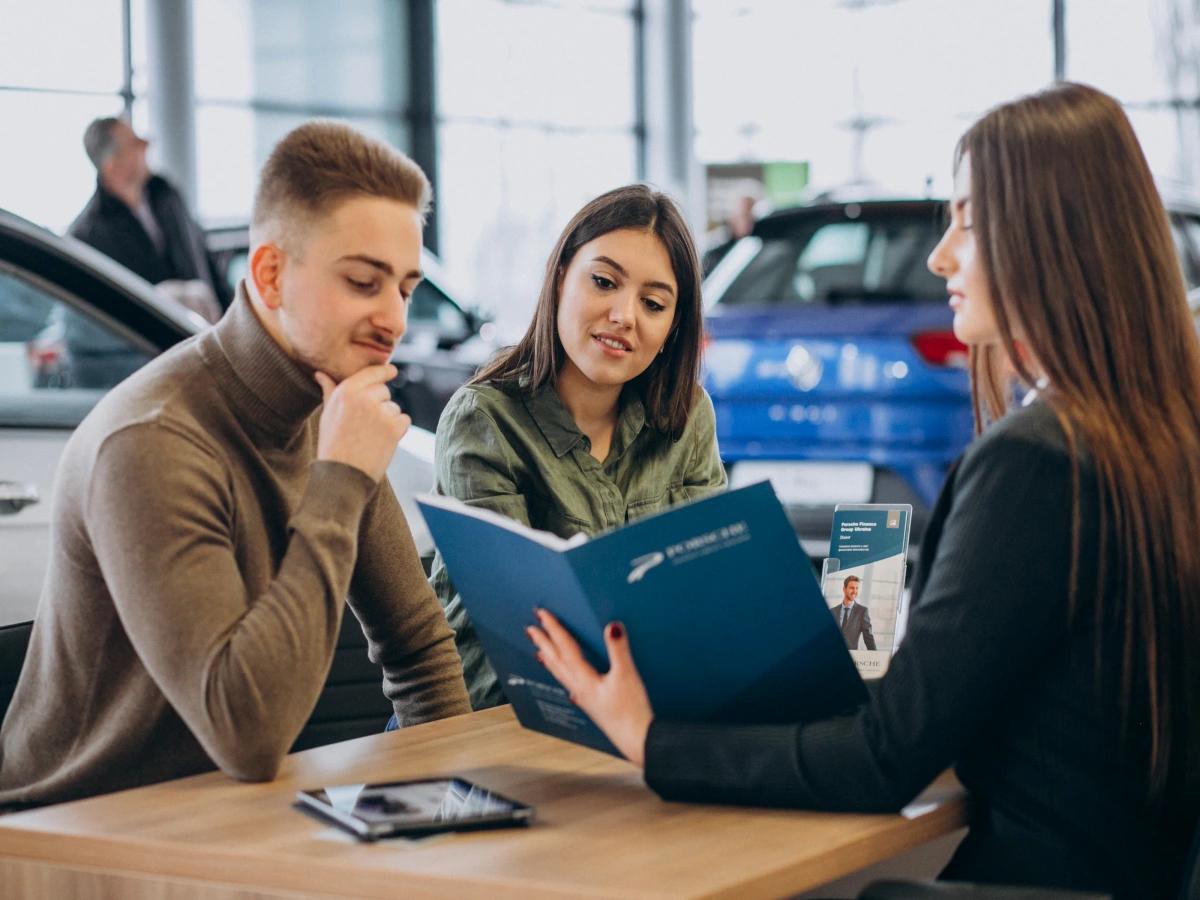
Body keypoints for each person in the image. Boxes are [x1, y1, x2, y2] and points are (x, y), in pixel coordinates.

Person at [527, 83, 1200, 900]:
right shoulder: (1158, 433)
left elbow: (884, 760)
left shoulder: (1041, 458)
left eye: (969, 222)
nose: (939, 255)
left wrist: (650, 740)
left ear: (1053, 238)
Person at [0, 120, 472, 811]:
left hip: (227, 821)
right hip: (72, 838)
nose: (394, 317)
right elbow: (248, 734)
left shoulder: (328, 415)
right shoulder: (152, 441)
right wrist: (339, 477)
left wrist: (458, 817)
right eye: (364, 282)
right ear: (271, 273)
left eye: (404, 288)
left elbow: (421, 652)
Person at [425, 184, 726, 713]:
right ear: (561, 275)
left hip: (647, 717)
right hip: (498, 726)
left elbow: (712, 586)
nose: (624, 315)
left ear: (672, 326)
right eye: (604, 282)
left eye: (653, 303)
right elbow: (519, 635)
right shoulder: (485, 420)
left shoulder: (686, 415)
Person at [70, 116, 231, 322]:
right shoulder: (87, 235)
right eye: (135, 144)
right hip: (156, 347)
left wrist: (231, 317)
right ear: (111, 166)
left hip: (209, 330)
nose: (147, 145)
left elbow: (204, 259)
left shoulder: (166, 194)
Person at [830, 575, 875, 650]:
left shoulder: (862, 611)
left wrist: (876, 656)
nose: (854, 591)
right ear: (844, 589)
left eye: (856, 588)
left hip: (851, 657)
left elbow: (868, 637)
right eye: (851, 588)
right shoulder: (833, 611)